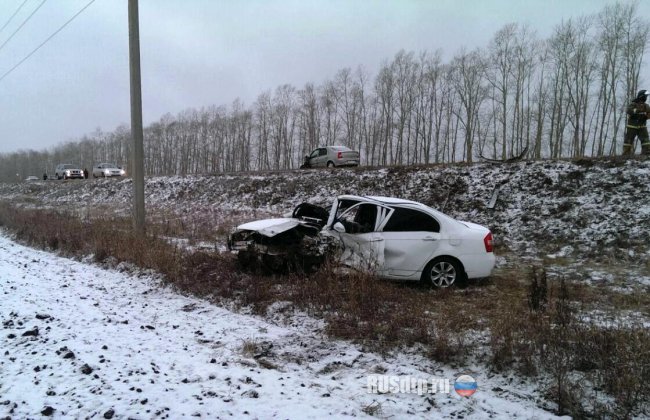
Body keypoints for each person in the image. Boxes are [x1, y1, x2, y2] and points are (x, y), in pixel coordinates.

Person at [623, 89, 650, 156]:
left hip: (642, 126)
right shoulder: (633, 104)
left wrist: (646, 116)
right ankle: (626, 155)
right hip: (632, 126)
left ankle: (646, 154)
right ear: (642, 96)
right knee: (628, 141)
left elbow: (649, 113)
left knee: (646, 141)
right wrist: (638, 111)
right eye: (645, 96)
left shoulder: (646, 106)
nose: (646, 98)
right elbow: (629, 111)